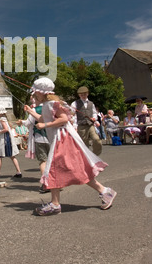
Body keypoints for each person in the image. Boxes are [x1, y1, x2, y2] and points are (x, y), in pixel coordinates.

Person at [25, 78, 117, 216]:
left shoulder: (52, 103)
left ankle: (55, 204)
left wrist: (45, 126)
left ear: (42, 92)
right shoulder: (46, 105)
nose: (34, 95)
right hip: (60, 139)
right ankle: (105, 191)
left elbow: (63, 119)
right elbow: (43, 119)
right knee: (75, 169)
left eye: (36, 92)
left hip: (62, 139)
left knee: (52, 169)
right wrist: (31, 112)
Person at [17, 96, 50, 193]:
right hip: (51, 137)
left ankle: (45, 184)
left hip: (40, 138)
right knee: (51, 161)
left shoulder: (35, 109)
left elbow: (28, 123)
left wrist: (21, 122)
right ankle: (56, 184)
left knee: (43, 161)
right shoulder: (49, 107)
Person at [71, 86, 102, 155]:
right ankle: (87, 158)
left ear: (87, 94)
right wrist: (74, 126)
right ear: (79, 95)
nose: (83, 96)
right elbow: (73, 115)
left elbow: (94, 113)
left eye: (84, 94)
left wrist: (94, 118)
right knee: (84, 144)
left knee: (96, 140)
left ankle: (95, 155)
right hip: (81, 125)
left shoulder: (91, 103)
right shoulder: (75, 103)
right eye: (81, 95)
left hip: (90, 125)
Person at [0, 106, 22, 178]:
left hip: (4, 139)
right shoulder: (4, 119)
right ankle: (18, 172)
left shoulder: (2, 119)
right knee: (12, 156)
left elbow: (6, 129)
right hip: (7, 138)